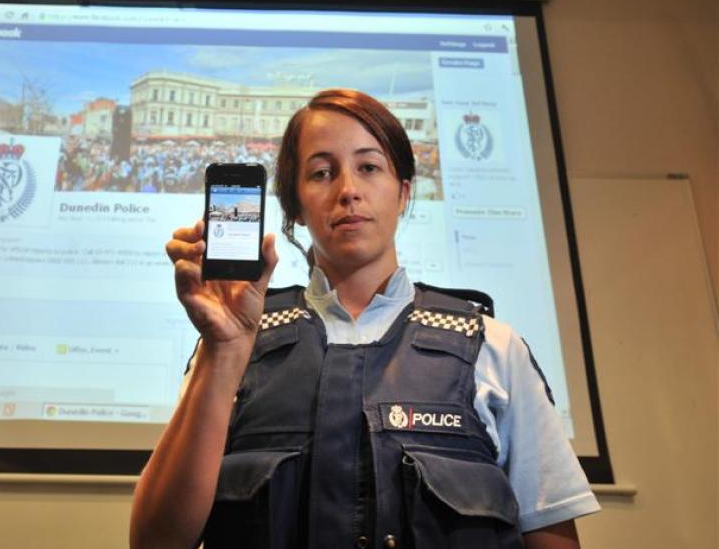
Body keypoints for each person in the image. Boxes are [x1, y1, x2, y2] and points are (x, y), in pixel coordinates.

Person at [130, 89, 599, 549]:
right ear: (294, 205)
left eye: (369, 167)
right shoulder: (231, 343)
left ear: (404, 193)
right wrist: (224, 349)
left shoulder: (494, 347)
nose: (348, 190)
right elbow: (154, 541)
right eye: (321, 172)